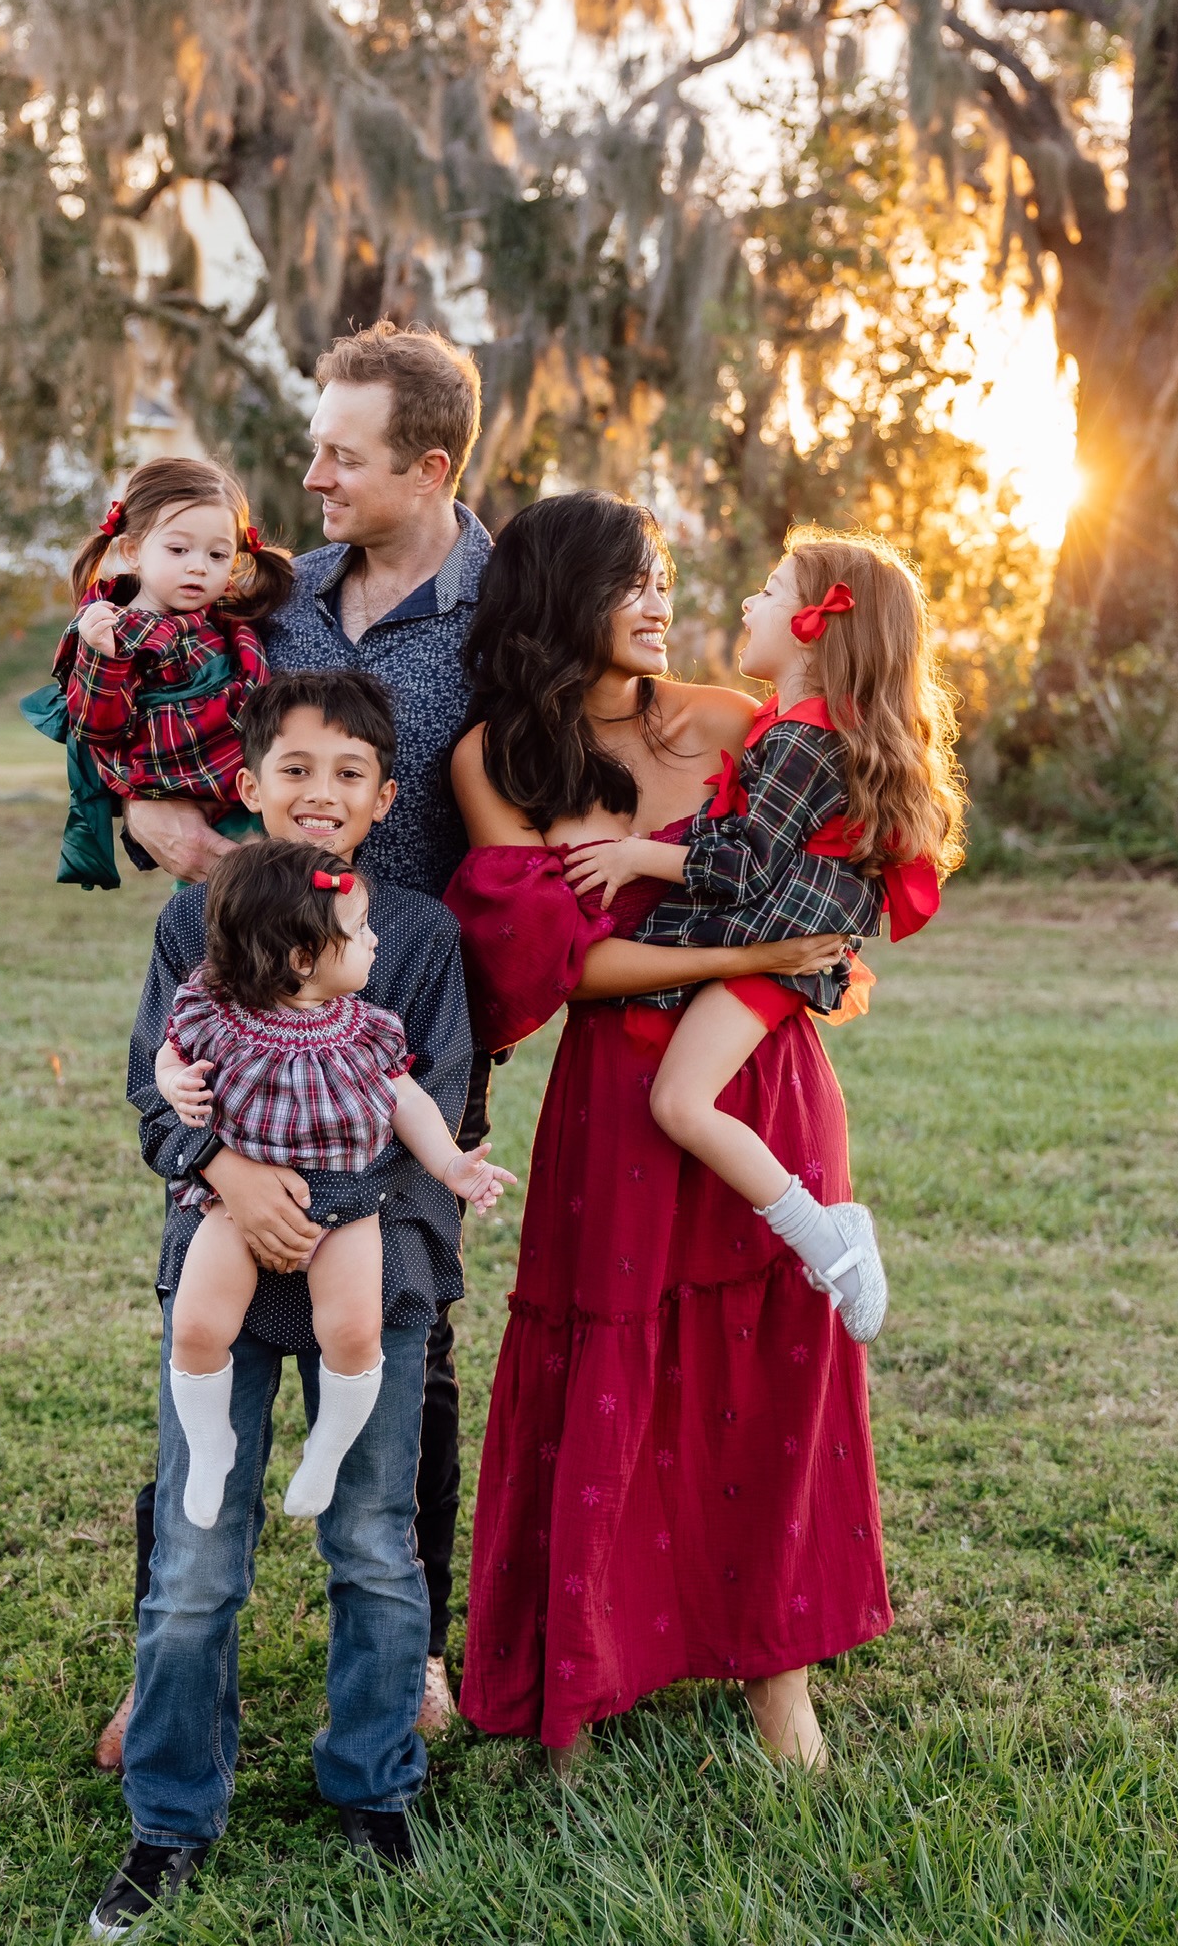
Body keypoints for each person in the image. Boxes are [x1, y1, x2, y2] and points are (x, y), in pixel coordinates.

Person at [445, 492, 892, 1771]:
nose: (660, 601)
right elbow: (564, 965)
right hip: (624, 1102)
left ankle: (778, 1685)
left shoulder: (735, 720)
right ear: (557, 599)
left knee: (769, 1372)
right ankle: (582, 1685)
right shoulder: (497, 761)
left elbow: (835, 880)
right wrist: (767, 946)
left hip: (760, 1077)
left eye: (667, 578)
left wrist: (780, 951)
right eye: (630, 580)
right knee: (608, 1370)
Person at [112, 322, 492, 1747]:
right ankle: (165, 1653)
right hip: (246, 975)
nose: (313, 474)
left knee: (406, 1339)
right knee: (205, 1324)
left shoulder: (505, 609)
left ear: (429, 466)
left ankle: (414, 1649)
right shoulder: (276, 592)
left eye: (343, 452)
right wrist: (134, 807)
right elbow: (142, 666)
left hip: (412, 987)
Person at [88, 671, 474, 1938]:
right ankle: (171, 1815)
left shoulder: (416, 935)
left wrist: (311, 1203)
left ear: (383, 799)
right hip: (220, 1258)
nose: (321, 794)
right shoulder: (195, 923)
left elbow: (437, 1108)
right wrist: (232, 1179)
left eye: (349, 773)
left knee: (372, 1540)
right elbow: (162, 1095)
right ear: (249, 785)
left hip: (379, 1267)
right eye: (295, 769)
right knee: (200, 1559)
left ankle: (372, 1784)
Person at [561, 533, 965, 1344]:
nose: (751, 603)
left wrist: (640, 854)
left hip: (779, 944)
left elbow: (743, 865)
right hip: (785, 937)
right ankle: (827, 1238)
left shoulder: (797, 741)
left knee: (679, 1100)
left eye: (772, 592)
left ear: (819, 626)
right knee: (680, 1095)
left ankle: (831, 1238)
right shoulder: (806, 728)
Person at [155, 838, 513, 1527]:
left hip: (348, 1204)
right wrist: (176, 1083)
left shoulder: (368, 1030)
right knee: (197, 1326)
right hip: (236, 1203)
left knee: (353, 1331)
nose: (376, 941)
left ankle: (329, 1446)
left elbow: (407, 1099)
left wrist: (451, 1165)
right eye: (359, 931)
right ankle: (209, 1444)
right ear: (300, 958)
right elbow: (169, 1051)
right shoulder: (215, 1010)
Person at [22, 457, 293, 891]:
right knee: (225, 904)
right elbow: (97, 727)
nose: (198, 566)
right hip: (187, 792)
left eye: (217, 554)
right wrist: (102, 657)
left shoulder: (218, 619)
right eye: (178, 549)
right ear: (133, 551)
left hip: (246, 786)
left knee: (279, 891)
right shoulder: (114, 630)